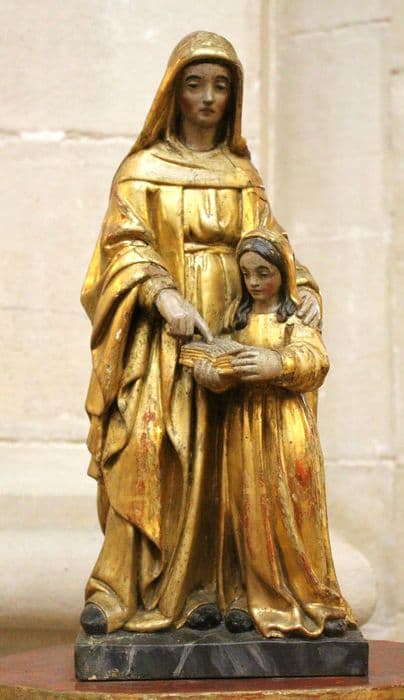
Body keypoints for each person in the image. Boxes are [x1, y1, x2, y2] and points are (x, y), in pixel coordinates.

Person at [80, 31, 321, 635]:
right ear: (174, 92)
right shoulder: (141, 170)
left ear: (233, 96)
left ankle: (211, 590)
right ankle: (123, 589)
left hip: (234, 328)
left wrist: (304, 291)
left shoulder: (243, 174)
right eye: (195, 85)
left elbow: (273, 244)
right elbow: (122, 246)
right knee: (150, 448)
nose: (208, 97)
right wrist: (162, 295)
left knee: (228, 459)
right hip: (164, 334)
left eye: (220, 86)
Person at [194, 228, 354, 637]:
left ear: (283, 272)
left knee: (291, 508)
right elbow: (218, 357)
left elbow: (315, 361)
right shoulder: (235, 317)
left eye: (263, 273)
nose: (253, 282)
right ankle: (246, 597)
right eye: (246, 273)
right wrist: (214, 374)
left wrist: (277, 364)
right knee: (245, 508)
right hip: (242, 427)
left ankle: (308, 595)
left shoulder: (295, 318)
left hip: (284, 428)